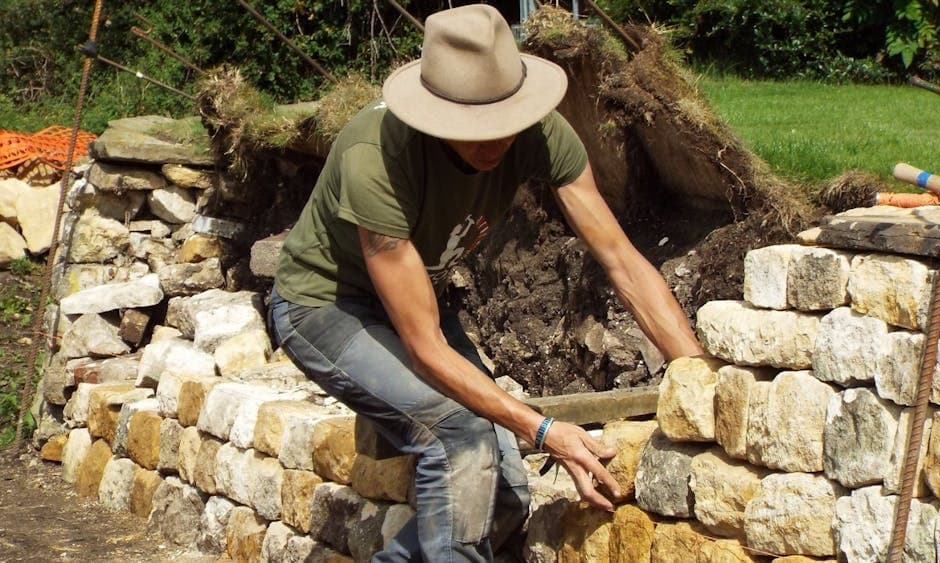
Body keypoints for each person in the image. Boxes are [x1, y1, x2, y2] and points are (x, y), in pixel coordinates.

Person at [267, 4, 704, 562]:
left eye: (504, 120)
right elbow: (424, 346)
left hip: (419, 296)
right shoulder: (375, 154)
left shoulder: (542, 133)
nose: (495, 139)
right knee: (461, 440)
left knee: (502, 494)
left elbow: (620, 259)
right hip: (327, 307)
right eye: (474, 126)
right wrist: (544, 430)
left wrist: (700, 381)